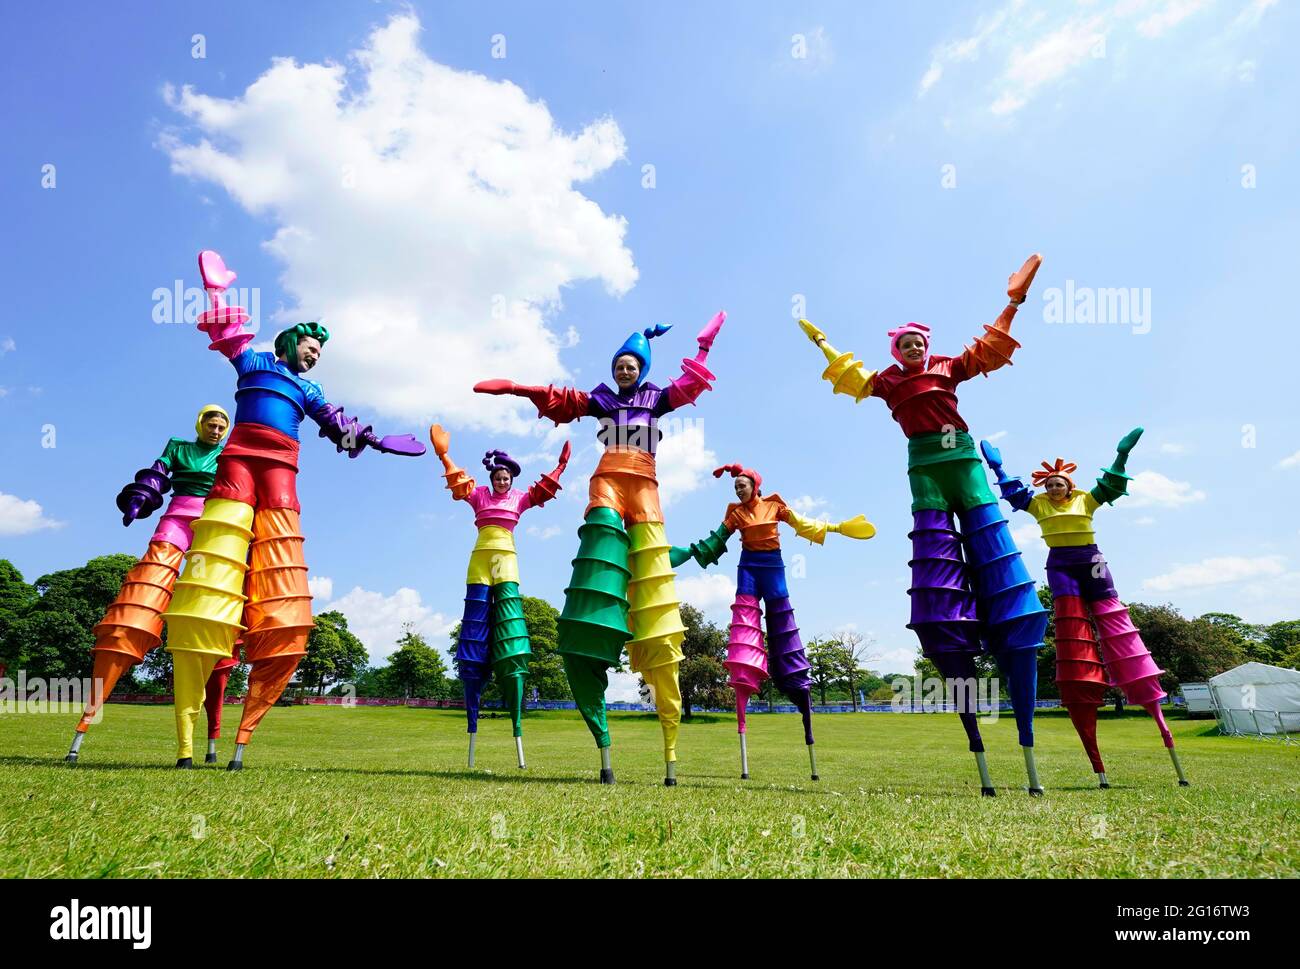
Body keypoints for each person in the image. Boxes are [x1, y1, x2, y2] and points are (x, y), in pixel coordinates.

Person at [796, 255, 1049, 796]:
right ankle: (975, 737)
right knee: (936, 563)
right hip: (923, 469)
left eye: (918, 342)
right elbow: (854, 376)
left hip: (963, 461)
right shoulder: (888, 382)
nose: (912, 349)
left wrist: (1013, 302)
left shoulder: (948, 367)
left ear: (927, 347)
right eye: (904, 344)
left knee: (992, 549)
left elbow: (988, 351)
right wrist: (821, 344)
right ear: (896, 352)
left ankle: (1024, 731)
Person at [162, 249, 425, 770]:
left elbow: (336, 425)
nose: (315, 356)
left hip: (282, 469)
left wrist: (375, 441)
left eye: (320, 353)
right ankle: (191, 742)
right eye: (310, 347)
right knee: (217, 561)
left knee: (280, 561)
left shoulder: (309, 389)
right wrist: (217, 292)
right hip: (238, 462)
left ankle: (243, 733)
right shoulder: (256, 363)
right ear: (289, 343)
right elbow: (229, 336)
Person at [474, 311, 726, 785]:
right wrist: (515, 389)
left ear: (642, 370)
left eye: (632, 366)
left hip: (647, 489)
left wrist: (704, 348)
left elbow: (689, 387)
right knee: (597, 566)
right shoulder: (604, 399)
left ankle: (670, 753)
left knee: (655, 604)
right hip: (607, 484)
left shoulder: (656, 398)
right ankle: (604, 746)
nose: (624, 371)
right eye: (620, 365)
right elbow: (563, 400)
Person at [982, 428, 1190, 787]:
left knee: (1114, 624)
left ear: (1069, 485)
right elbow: (1015, 494)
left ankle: (1159, 721)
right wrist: (997, 468)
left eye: (1058, 484)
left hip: (1091, 561)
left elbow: (1108, 487)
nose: (1052, 489)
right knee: (1072, 632)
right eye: (1048, 485)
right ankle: (1096, 761)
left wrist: (1122, 455)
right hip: (1060, 565)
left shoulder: (1085, 501)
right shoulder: (1039, 505)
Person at [669, 463, 875, 780]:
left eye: (742, 484)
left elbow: (801, 523)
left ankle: (804, 718)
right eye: (735, 485)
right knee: (743, 644)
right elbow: (717, 539)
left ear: (755, 485)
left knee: (785, 636)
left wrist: (835, 528)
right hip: (747, 571)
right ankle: (742, 718)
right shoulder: (735, 514)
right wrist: (688, 553)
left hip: (774, 569)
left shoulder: (774, 505)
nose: (738, 489)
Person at [66, 405, 238, 767]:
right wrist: (140, 497)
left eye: (222, 424)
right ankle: (84, 726)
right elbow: (158, 475)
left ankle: (208, 741)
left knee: (213, 620)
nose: (217, 429)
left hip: (217, 522)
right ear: (200, 424)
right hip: (178, 517)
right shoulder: (178, 446)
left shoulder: (231, 450)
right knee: (143, 594)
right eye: (212, 422)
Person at [429, 425, 571, 768]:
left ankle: (517, 725)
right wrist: (443, 454)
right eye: (498, 476)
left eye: (506, 477)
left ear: (511, 479)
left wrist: (561, 467)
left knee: (509, 625)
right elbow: (459, 484)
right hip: (480, 562)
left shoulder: (519, 498)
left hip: (507, 562)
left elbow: (541, 493)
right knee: (475, 628)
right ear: (492, 477)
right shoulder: (478, 495)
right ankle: (473, 724)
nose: (502, 481)